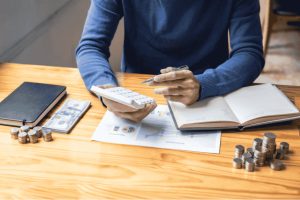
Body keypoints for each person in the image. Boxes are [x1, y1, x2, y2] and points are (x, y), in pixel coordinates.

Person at [76, 0, 265, 122]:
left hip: (209, 95)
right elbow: (90, 47)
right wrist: (107, 90)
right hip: (137, 93)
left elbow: (249, 53)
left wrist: (204, 84)